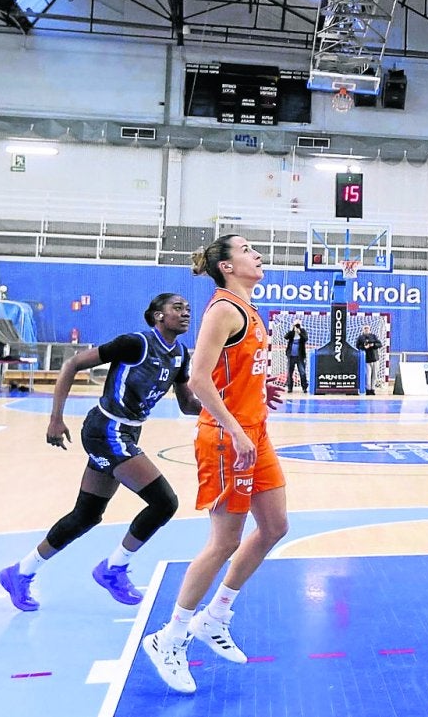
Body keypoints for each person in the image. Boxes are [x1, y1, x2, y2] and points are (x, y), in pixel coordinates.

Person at [141, 235, 286, 696]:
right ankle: (170, 637)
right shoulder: (224, 309)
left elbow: (233, 373)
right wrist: (236, 429)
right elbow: (198, 379)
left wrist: (260, 394)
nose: (257, 254)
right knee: (224, 541)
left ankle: (216, 615)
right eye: (246, 250)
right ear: (226, 267)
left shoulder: (250, 308)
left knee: (275, 527)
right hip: (228, 440)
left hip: (253, 433)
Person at [0, 294, 197, 613]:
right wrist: (55, 418)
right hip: (107, 429)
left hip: (127, 431)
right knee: (164, 502)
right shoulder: (135, 343)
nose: (186, 313)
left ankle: (19, 572)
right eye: (177, 308)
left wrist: (231, 407)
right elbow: (73, 364)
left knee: (87, 515)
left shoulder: (181, 354)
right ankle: (113, 569)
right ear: (158, 316)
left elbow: (188, 405)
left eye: (188, 309)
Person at [283, 319, 309, 394]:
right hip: (291, 356)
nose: (297, 326)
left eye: (298, 325)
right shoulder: (292, 333)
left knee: (302, 372)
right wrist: (292, 330)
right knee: (289, 372)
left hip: (300, 357)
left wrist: (300, 332)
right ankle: (290, 388)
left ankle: (304, 387)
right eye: (296, 325)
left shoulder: (303, 331)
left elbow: (305, 339)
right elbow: (286, 337)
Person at [355, 323, 382, 395]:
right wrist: (364, 347)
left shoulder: (374, 336)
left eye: (367, 328)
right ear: (363, 329)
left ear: (370, 329)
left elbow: (380, 344)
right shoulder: (360, 337)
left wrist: (373, 345)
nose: (366, 329)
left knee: (374, 375)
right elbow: (357, 346)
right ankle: (368, 389)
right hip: (367, 359)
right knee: (368, 375)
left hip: (375, 358)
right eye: (365, 328)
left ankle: (373, 389)